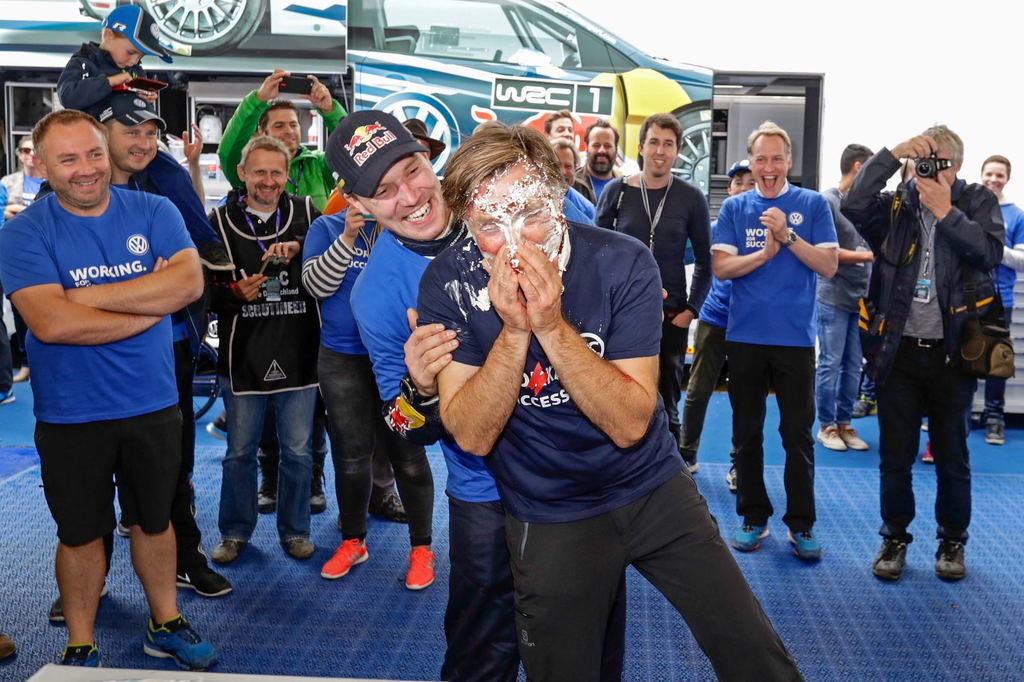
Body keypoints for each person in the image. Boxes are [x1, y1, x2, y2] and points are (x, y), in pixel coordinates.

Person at [417, 121, 801, 681]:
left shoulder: (622, 261)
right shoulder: (449, 283)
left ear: (559, 197)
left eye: (531, 214)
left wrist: (550, 324)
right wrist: (515, 331)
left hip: (650, 487)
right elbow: (472, 436)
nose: (517, 242)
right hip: (547, 508)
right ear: (466, 225)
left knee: (753, 651)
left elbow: (629, 424)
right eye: (490, 226)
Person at [331, 110, 627, 680]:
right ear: (359, 204)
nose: (411, 197)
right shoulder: (377, 293)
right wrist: (419, 388)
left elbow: (608, 272)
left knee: (587, 647)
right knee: (481, 654)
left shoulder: (513, 194)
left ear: (430, 160)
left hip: (580, 477)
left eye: (412, 170)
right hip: (486, 491)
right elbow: (401, 425)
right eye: (383, 191)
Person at [0, 109, 215, 669]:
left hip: (153, 403)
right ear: (43, 165)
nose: (86, 169)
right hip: (71, 413)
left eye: (94, 153)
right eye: (68, 159)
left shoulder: (154, 209)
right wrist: (148, 303)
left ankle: (165, 621)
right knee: (80, 533)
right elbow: (52, 324)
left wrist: (79, 298)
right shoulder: (23, 233)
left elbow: (188, 282)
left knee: (155, 521)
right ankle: (81, 641)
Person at [842, 126, 1004, 581]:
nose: (929, 171)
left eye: (939, 162)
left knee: (953, 458)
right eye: (922, 161)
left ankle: (952, 541)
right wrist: (892, 154)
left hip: (954, 353)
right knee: (895, 458)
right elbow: (853, 204)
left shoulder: (976, 201)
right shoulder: (897, 204)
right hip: (898, 352)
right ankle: (894, 537)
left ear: (958, 166)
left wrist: (946, 212)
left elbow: (989, 253)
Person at [304, 118, 439, 590]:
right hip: (342, 359)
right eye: (377, 188)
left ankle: (422, 547)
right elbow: (316, 286)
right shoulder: (325, 227)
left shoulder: (404, 231)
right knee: (351, 456)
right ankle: (352, 539)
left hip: (399, 361)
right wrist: (346, 237)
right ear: (353, 196)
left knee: (408, 453)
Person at [712, 120, 838, 560]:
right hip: (745, 337)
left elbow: (828, 265)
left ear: (789, 161)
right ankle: (753, 516)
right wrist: (764, 253)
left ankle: (801, 524)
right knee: (746, 432)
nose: (769, 167)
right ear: (752, 162)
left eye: (777, 159)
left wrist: (787, 236)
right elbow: (721, 269)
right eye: (761, 159)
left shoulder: (812, 204)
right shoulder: (735, 208)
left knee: (797, 435)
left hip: (795, 341)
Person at [206, 135, 321, 564]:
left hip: (300, 352)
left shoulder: (307, 214)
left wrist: (302, 245)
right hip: (242, 358)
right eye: (259, 172)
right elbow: (199, 292)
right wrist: (232, 294)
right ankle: (234, 532)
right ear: (242, 173)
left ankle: (296, 531)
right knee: (239, 452)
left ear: (288, 174)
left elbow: (337, 260)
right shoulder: (218, 222)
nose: (268, 181)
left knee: (298, 452)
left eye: (276, 172)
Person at [596, 112, 712, 471]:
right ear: (641, 147)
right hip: (621, 316)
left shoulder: (691, 197)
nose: (660, 151)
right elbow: (596, 255)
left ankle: (671, 471)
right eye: (654, 142)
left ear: (677, 151)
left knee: (666, 398)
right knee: (619, 394)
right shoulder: (616, 192)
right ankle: (620, 468)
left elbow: (706, 260)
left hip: (671, 318)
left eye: (668, 144)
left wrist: (691, 311)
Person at [679, 159, 755, 486]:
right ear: (730, 189)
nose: (743, 188)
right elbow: (686, 255)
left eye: (751, 183)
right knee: (697, 391)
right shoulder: (715, 226)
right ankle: (686, 454)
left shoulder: (768, 229)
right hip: (713, 317)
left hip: (749, 324)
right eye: (738, 182)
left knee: (745, 397)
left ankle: (740, 463)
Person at [815, 144, 875, 452]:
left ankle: (844, 423)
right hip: (833, 296)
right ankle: (826, 425)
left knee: (854, 366)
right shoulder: (827, 201)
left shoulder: (867, 204)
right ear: (858, 167)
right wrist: (868, 255)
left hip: (861, 299)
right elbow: (827, 251)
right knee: (830, 363)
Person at [218, 69, 347, 212]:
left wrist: (330, 111)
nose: (289, 131)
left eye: (293, 125)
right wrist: (257, 100)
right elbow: (228, 152)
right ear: (262, 131)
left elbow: (353, 151)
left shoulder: (318, 164)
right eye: (279, 126)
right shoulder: (251, 167)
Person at [977, 155, 1024, 445]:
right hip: (966, 297)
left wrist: (995, 248)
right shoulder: (968, 208)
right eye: (989, 174)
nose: (993, 180)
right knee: (959, 358)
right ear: (981, 175)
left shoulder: (1017, 215)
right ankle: (955, 416)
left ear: (1007, 179)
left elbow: (1021, 261)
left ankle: (994, 417)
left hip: (1000, 298)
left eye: (999, 175)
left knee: (997, 361)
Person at [56, 4, 170, 119]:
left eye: (141, 57)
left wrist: (145, 102)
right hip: (90, 130)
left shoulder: (136, 71)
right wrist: (110, 82)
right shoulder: (85, 61)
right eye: (130, 52)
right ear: (108, 35)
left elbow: (141, 118)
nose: (134, 62)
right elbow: (67, 98)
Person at [576, 119, 621, 202]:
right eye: (596, 145)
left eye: (607, 146)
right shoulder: (573, 184)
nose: (602, 150)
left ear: (616, 149)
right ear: (587, 148)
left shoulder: (623, 188)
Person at [3, 135, 44, 219]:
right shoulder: (7, 182)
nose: (32, 154)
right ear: (20, 155)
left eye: (36, 150)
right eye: (26, 150)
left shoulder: (54, 183)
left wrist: (18, 210)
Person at [552, 137, 597, 207]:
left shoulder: (584, 193)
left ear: (575, 168)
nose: (562, 172)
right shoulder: (534, 196)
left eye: (568, 166)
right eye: (557, 165)